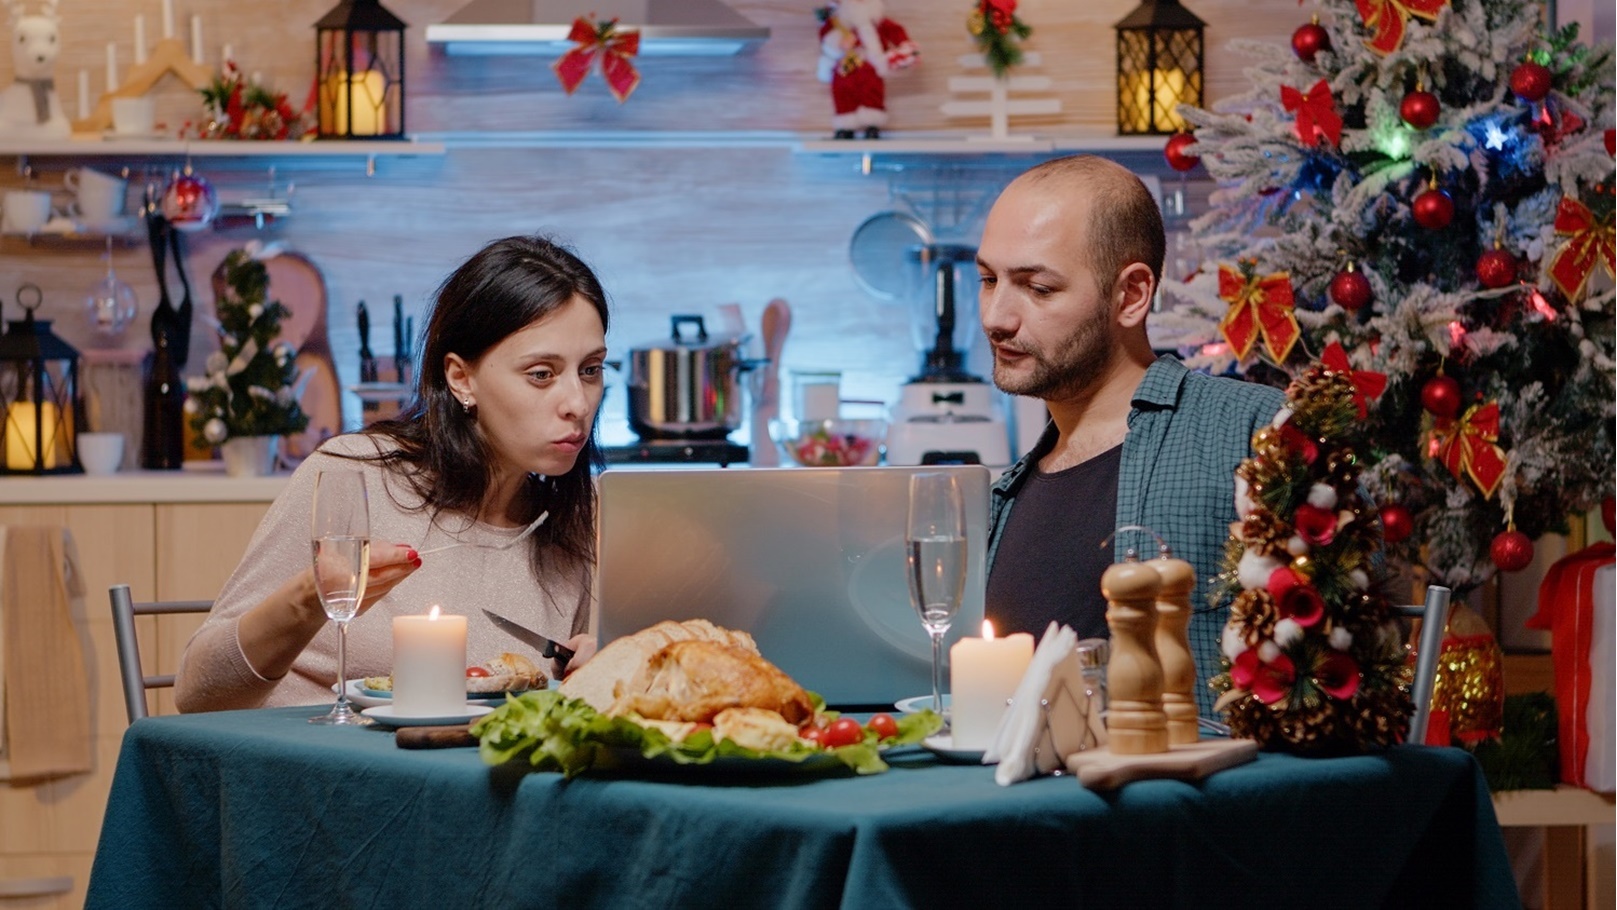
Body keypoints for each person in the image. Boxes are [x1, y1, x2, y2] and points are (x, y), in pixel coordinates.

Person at [175, 235, 610, 711]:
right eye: (542, 374)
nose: (577, 404)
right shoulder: (351, 477)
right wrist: (310, 597)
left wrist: (601, 670)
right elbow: (197, 693)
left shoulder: (584, 516)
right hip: (318, 772)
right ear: (461, 378)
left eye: (590, 370)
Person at [976, 156, 1286, 718]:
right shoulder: (1007, 496)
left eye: (1038, 287)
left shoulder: (1255, 432)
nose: (997, 316)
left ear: (1131, 295)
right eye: (988, 279)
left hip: (1198, 803)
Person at [816, 0, 917, 140]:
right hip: (844, 64)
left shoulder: (878, 22)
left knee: (872, 92)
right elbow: (825, 35)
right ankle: (845, 127)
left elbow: (895, 32)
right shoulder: (838, 21)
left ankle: (872, 126)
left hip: (870, 64)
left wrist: (905, 48)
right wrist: (838, 43)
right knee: (843, 93)